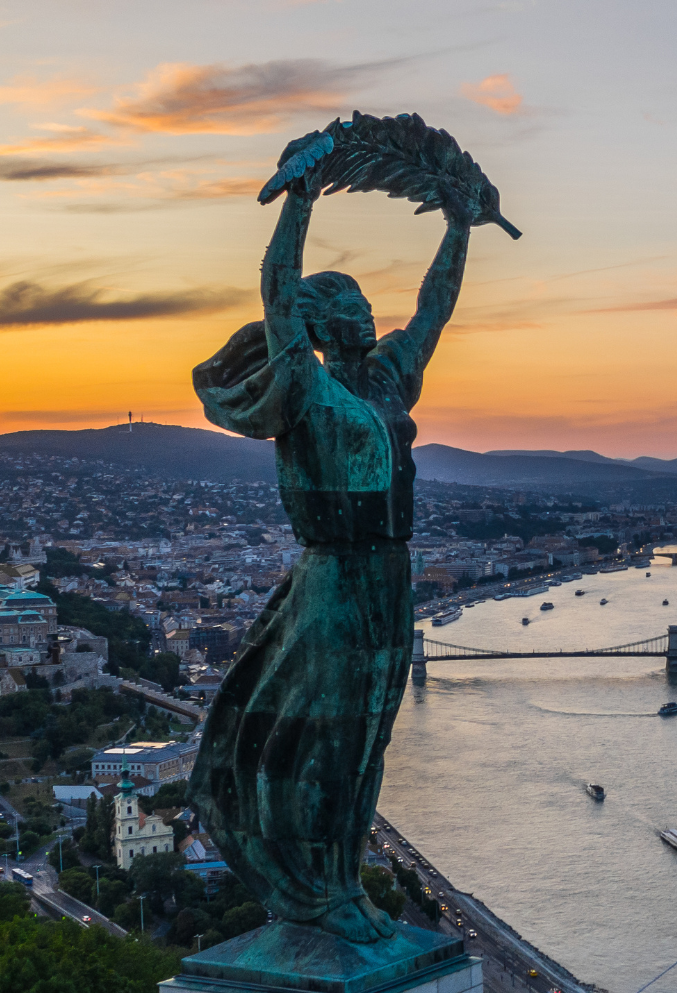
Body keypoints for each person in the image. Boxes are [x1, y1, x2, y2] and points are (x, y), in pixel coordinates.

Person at [189, 163, 485, 944]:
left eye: (363, 301)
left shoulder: (388, 382)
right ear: (319, 325)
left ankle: (346, 880)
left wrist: (460, 226)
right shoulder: (304, 389)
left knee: (368, 739)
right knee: (327, 736)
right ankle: (316, 891)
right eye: (346, 304)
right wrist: (302, 198)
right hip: (333, 575)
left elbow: (433, 312)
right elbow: (276, 287)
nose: (363, 311)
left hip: (389, 572)